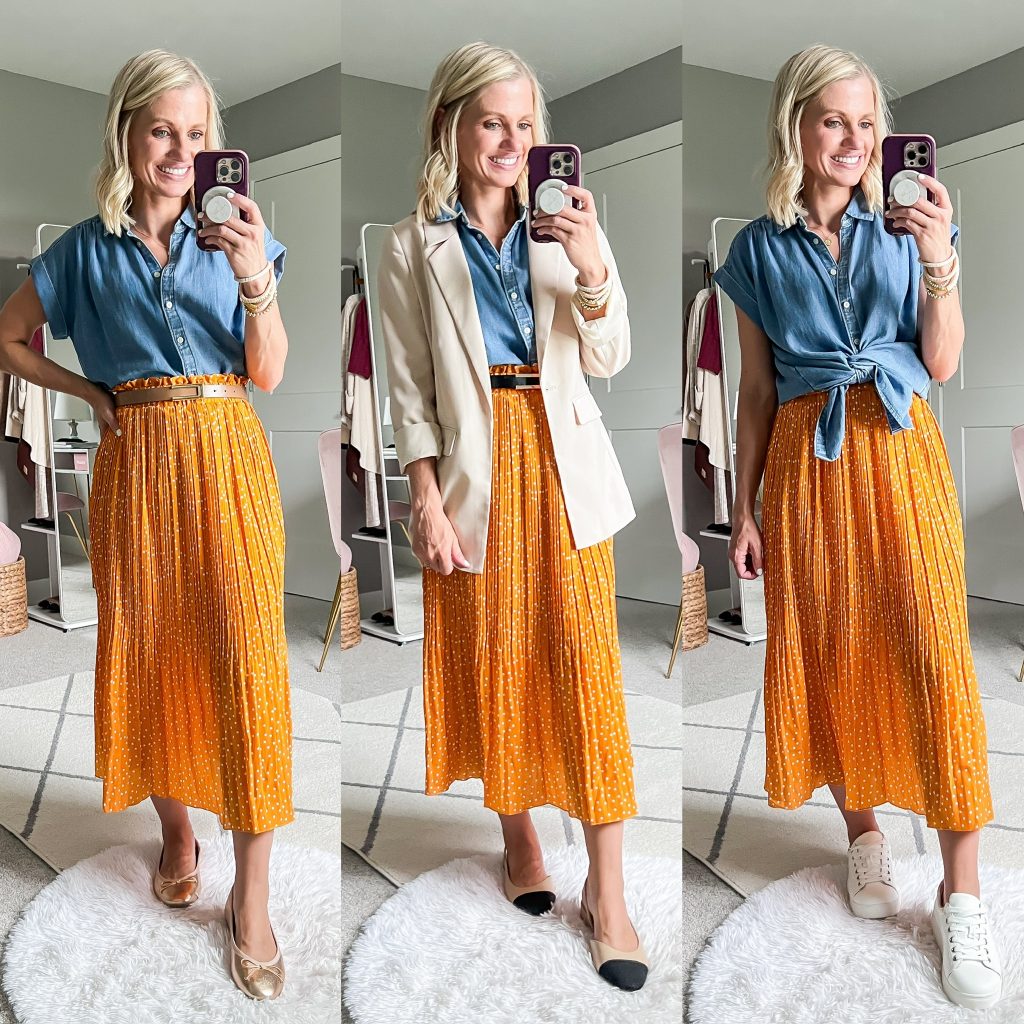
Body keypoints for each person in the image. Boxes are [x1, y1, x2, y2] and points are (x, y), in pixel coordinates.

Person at [0, 50, 291, 1002]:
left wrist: (255, 276)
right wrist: (87, 387)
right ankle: (175, 828)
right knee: (152, 653)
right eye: (163, 129)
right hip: (135, 468)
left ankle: (251, 896)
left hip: (230, 457)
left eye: (198, 132)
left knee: (246, 663)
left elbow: (270, 371)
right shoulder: (82, 248)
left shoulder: (244, 233)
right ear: (126, 134)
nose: (180, 149)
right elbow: (7, 335)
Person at [715, 44, 1000, 1011]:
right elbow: (753, 391)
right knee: (834, 655)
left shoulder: (909, 230)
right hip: (805, 466)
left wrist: (939, 257)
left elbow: (945, 361)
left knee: (933, 658)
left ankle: (962, 892)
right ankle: (866, 837)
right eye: (834, 119)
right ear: (797, 125)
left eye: (868, 121)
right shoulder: (755, 250)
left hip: (901, 450)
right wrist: (743, 507)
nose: (854, 139)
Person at [377, 41, 647, 991]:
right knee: (493, 659)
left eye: (526, 123)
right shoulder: (409, 244)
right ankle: (519, 835)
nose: (512, 139)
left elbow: (609, 353)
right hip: (469, 473)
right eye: (493, 120)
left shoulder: (572, 220)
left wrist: (590, 267)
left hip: (564, 461)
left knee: (582, 673)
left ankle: (608, 894)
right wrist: (421, 495)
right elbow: (408, 390)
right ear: (451, 124)